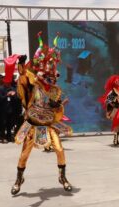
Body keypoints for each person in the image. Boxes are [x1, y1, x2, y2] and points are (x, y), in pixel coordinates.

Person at [8, 32, 73, 195]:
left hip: (48, 125)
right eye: (47, 74)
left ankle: (62, 177)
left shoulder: (55, 91)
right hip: (32, 125)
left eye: (52, 75)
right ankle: (19, 179)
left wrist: (57, 105)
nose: (50, 78)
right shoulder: (33, 86)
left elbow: (56, 111)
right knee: (24, 155)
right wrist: (21, 65)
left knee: (59, 149)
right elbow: (23, 79)